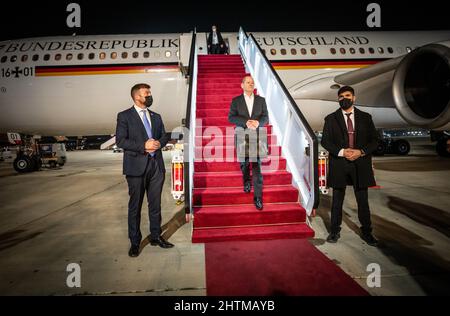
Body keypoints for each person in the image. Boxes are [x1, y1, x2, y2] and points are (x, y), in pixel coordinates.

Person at [116, 83, 174, 257]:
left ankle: (156, 236)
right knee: (135, 206)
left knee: (155, 205)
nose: (149, 95)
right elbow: (121, 141)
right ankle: (135, 242)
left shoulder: (156, 116)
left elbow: (164, 135)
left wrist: (159, 143)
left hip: (156, 166)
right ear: (137, 97)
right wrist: (143, 145)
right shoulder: (125, 116)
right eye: (146, 93)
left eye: (149, 92)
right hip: (136, 167)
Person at [321, 86, 380, 247]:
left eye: (347, 95)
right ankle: (334, 231)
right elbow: (325, 141)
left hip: (360, 164)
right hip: (340, 163)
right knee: (337, 202)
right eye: (340, 96)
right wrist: (342, 152)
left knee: (363, 201)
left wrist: (360, 152)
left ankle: (367, 232)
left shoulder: (366, 117)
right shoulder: (330, 119)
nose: (344, 98)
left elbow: (374, 140)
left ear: (354, 98)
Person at [228, 75, 269, 210]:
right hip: (242, 134)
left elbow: (266, 117)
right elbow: (231, 117)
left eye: (252, 82)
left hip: (258, 136)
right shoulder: (236, 101)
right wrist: (245, 122)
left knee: (257, 166)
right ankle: (246, 180)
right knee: (244, 163)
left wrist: (258, 123)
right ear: (242, 85)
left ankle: (258, 197)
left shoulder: (261, 100)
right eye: (248, 82)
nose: (250, 84)